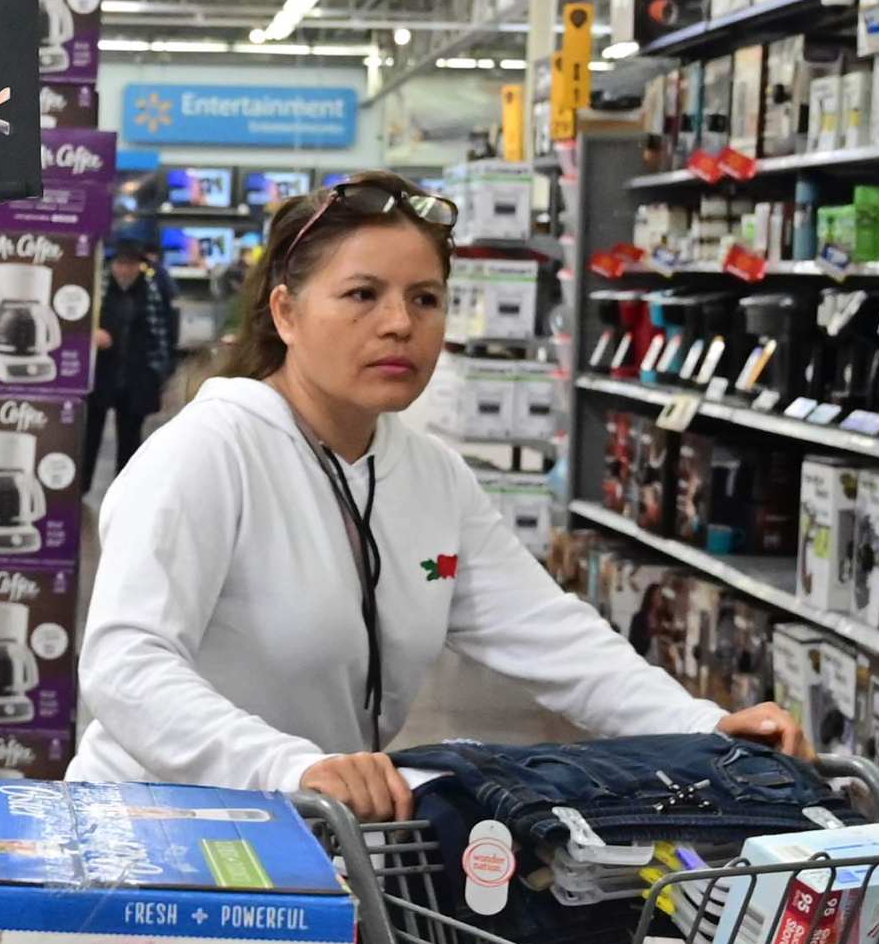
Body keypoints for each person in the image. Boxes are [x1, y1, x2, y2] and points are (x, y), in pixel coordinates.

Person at [75, 170, 798, 817]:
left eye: (425, 298)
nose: (399, 323)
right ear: (286, 313)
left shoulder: (429, 477)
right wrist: (287, 765)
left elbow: (550, 633)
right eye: (362, 294)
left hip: (301, 840)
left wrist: (697, 725)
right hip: (152, 841)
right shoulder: (206, 453)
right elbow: (126, 663)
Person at [83, 237, 177, 486]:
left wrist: (159, 375)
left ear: (139, 266)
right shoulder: (97, 290)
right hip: (100, 375)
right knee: (89, 437)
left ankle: (123, 492)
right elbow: (75, 323)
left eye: (130, 264)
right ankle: (79, 493)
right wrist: (90, 335)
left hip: (136, 378)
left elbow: (164, 334)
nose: (124, 270)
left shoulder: (152, 292)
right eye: (120, 264)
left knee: (130, 441)